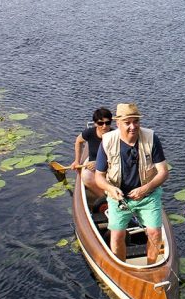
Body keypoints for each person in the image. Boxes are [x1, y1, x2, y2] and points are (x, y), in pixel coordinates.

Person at [94, 103, 169, 264]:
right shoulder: (107, 142)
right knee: (117, 236)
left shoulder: (151, 138)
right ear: (118, 124)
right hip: (119, 199)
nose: (133, 126)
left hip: (147, 196)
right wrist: (110, 189)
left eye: (136, 121)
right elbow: (99, 177)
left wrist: (145, 189)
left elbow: (163, 171)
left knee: (155, 233)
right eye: (127, 122)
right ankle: (122, 268)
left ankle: (152, 267)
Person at [72, 107, 113, 202]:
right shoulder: (90, 133)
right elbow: (78, 141)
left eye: (107, 123)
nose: (104, 126)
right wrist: (77, 161)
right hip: (92, 165)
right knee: (86, 176)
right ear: (95, 124)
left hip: (110, 166)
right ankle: (106, 199)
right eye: (100, 123)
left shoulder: (114, 135)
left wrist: (99, 163)